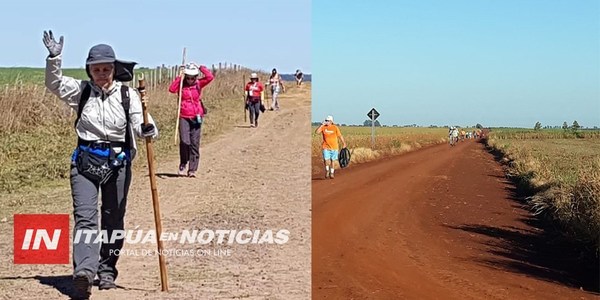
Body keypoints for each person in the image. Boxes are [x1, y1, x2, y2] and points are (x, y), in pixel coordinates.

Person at [42, 30, 158, 299]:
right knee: (85, 219)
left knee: (113, 219)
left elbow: (145, 126)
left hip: (118, 165)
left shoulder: (128, 96)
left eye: (107, 68)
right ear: (89, 70)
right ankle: (84, 271)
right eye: (97, 69)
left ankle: (107, 271)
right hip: (84, 163)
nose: (102, 73)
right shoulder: (80, 92)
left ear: (115, 70)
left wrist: (149, 129)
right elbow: (54, 83)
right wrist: (54, 57)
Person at [168, 62, 214, 177]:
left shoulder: (199, 84)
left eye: (192, 77)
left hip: (197, 116)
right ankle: (183, 163)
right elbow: (171, 89)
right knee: (184, 141)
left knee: (194, 143)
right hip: (183, 116)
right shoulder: (181, 85)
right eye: (188, 77)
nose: (190, 80)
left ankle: (192, 169)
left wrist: (200, 67)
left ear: (196, 77)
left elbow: (210, 77)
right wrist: (180, 76)